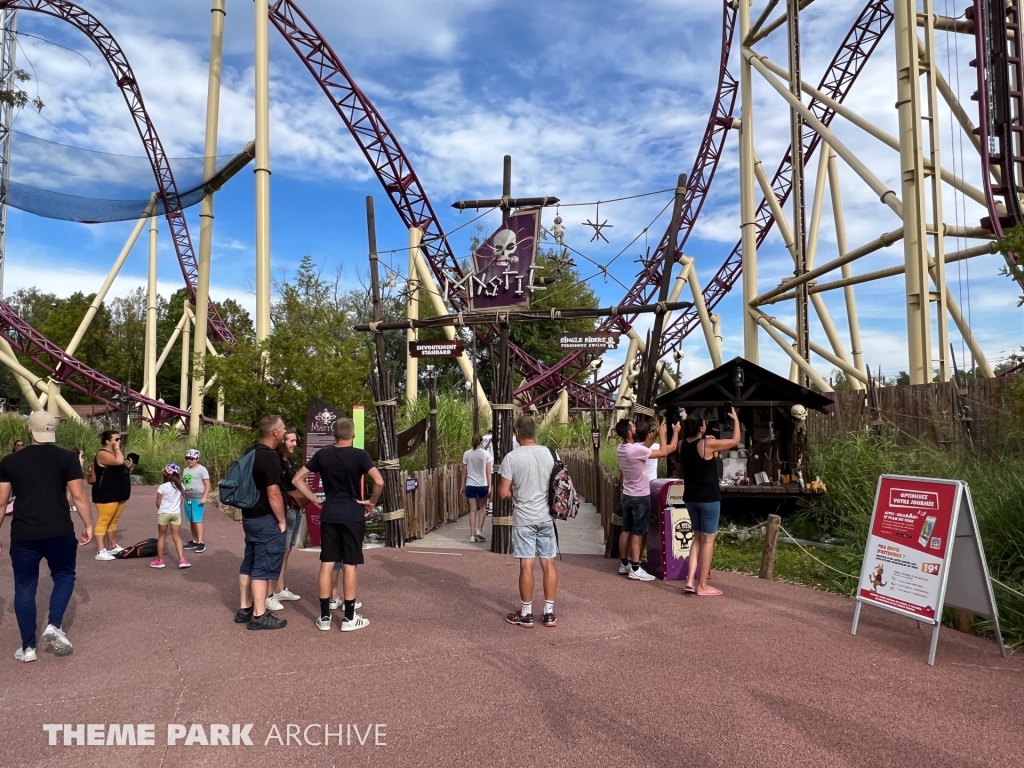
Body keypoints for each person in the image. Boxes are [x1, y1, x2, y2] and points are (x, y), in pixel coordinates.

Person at [0, 411, 92, 662]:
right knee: (64, 575)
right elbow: (78, 495)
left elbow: (1, 502)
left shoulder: (10, 461)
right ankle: (54, 624)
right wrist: (88, 524)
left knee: (24, 587)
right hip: (59, 529)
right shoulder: (67, 458)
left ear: (30, 431)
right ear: (53, 431)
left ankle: (28, 648)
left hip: (24, 533)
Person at [292, 417, 381, 633]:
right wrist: (371, 501)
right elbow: (379, 481)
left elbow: (297, 479)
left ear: (334, 435)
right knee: (350, 564)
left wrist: (314, 499)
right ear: (353, 435)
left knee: (327, 562)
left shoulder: (323, 454)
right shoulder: (360, 455)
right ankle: (349, 617)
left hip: (330, 512)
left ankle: (324, 616)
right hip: (352, 513)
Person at [499, 414, 558, 629]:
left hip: (524, 518)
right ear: (534, 432)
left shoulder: (511, 458)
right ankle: (549, 613)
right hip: (546, 516)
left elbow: (503, 493)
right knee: (548, 563)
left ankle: (526, 613)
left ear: (517, 433)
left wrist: (513, 492)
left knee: (527, 565)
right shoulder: (551, 454)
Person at [235, 415, 288, 631]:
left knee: (249, 561)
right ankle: (259, 614)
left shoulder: (251, 452)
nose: (284, 431)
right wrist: (281, 519)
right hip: (266, 518)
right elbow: (273, 493)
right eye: (283, 428)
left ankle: (244, 608)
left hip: (250, 515)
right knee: (263, 566)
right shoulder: (270, 457)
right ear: (275, 432)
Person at [681, 407, 741, 597]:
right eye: (704, 423)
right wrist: (736, 421)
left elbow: (695, 448)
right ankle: (702, 585)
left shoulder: (682, 444)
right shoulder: (707, 444)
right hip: (709, 498)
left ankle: (689, 581)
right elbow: (735, 441)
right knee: (708, 540)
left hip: (690, 497)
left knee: (697, 538)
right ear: (701, 427)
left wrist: (707, 439)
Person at [614, 418, 680, 581]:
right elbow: (663, 452)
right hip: (640, 496)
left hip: (627, 495)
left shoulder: (622, 448)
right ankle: (636, 568)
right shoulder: (636, 450)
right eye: (632, 426)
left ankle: (625, 564)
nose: (635, 428)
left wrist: (656, 433)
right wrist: (662, 435)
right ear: (629, 432)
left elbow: (644, 445)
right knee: (638, 532)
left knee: (626, 530)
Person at [270, 429, 304, 606]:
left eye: (295, 441)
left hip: (296, 508)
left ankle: (280, 588)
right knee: (281, 550)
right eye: (291, 441)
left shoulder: (288, 461)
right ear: (282, 442)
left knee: (288, 548)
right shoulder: (276, 461)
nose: (295, 444)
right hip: (287, 509)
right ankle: (271, 592)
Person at [91, 429, 133, 561]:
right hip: (106, 493)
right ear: (108, 441)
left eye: (119, 439)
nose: (119, 442)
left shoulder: (116, 454)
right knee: (104, 520)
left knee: (113, 521)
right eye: (116, 439)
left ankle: (112, 546)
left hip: (119, 492)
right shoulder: (102, 453)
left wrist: (129, 467)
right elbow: (118, 462)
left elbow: (120, 467)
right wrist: (117, 448)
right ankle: (100, 550)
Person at [151, 464, 190, 570]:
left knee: (162, 536)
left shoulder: (163, 487)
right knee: (177, 537)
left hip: (164, 513)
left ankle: (160, 560)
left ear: (165, 474)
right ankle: (182, 559)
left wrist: (163, 509)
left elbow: (158, 502)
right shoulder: (181, 486)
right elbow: (180, 501)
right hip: (176, 514)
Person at [462, 434, 492, 543]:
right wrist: (490, 485)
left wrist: (462, 486)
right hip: (482, 484)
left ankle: (472, 536)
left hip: (470, 485)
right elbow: (488, 471)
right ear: (482, 441)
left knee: (472, 510)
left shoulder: (466, 454)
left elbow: (464, 472)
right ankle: (479, 530)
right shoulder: (486, 454)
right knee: (482, 508)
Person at [181, 449, 210, 553]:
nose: (190, 460)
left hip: (198, 498)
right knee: (191, 520)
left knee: (197, 519)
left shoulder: (202, 469)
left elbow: (207, 484)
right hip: (188, 498)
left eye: (192, 458)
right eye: (188, 458)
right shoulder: (186, 470)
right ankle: (195, 540)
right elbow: (185, 483)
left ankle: (201, 542)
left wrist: (204, 497)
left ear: (197, 459)